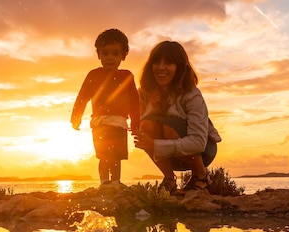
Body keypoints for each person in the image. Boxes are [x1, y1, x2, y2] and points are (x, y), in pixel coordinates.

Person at [134, 41, 222, 194]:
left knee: (168, 127)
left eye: (169, 62)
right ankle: (169, 179)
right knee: (147, 125)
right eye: (157, 62)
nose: (161, 67)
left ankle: (201, 176)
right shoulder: (144, 92)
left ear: (179, 67)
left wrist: (155, 145)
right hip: (168, 153)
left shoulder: (191, 94)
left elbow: (198, 142)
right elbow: (139, 126)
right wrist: (153, 106)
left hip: (202, 150)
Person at [71, 28, 141, 186]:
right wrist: (76, 118)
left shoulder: (127, 76)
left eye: (115, 54)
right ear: (98, 54)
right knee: (103, 155)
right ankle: (104, 183)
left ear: (123, 55)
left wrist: (136, 123)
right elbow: (82, 97)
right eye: (105, 53)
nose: (110, 57)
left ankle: (115, 182)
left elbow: (134, 102)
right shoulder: (93, 75)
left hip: (120, 124)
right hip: (100, 123)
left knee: (117, 156)